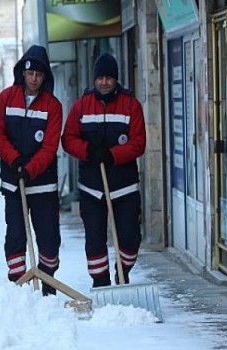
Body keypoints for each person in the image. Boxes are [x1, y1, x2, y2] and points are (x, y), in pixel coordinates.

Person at [62, 53, 146, 287]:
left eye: (109, 78)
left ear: (116, 79)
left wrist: (111, 154)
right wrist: (88, 150)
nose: (104, 82)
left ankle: (123, 271)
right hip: (92, 188)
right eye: (100, 78)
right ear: (94, 79)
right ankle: (100, 282)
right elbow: (68, 139)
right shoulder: (81, 106)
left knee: (130, 237)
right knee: (95, 241)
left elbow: (139, 142)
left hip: (124, 186)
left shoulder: (131, 105)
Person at [0, 45, 62, 296]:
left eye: (39, 75)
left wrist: (30, 169)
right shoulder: (6, 98)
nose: (34, 79)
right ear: (22, 72)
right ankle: (18, 288)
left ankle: (48, 286)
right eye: (30, 73)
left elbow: (50, 145)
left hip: (42, 184)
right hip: (13, 182)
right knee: (16, 236)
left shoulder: (53, 106)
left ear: (45, 77)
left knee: (48, 237)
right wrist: (14, 160)